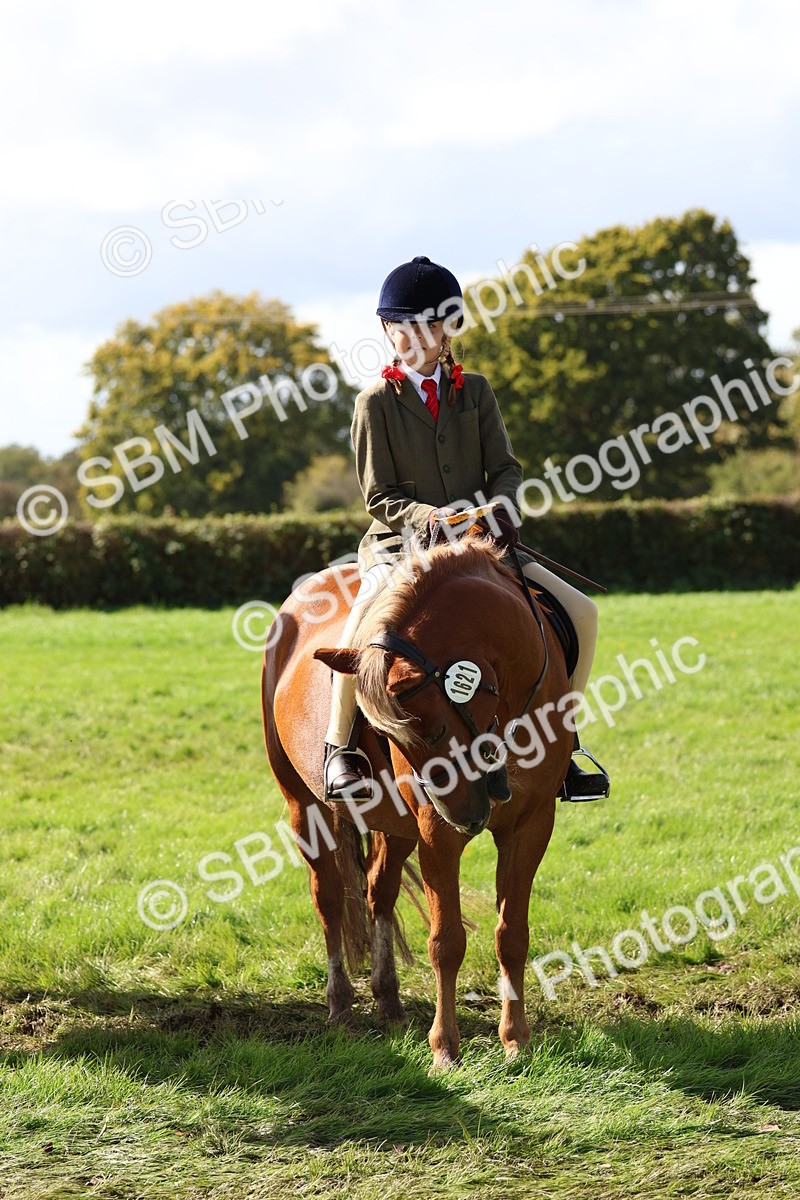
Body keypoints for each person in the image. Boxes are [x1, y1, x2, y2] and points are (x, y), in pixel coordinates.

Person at [323, 255, 610, 804]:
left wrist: (500, 505)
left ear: (447, 328)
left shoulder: (474, 392)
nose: (417, 338)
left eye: (430, 325)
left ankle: (564, 744)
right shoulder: (375, 404)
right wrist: (426, 517)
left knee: (583, 613)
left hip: (478, 544)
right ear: (387, 330)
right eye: (403, 326)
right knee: (358, 630)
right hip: (399, 548)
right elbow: (379, 497)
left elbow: (505, 467)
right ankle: (341, 750)